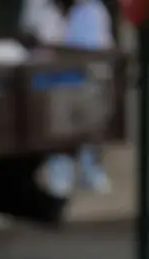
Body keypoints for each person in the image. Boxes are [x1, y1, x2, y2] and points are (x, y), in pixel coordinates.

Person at [57, 0, 115, 196]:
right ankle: (62, 172)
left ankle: (89, 171)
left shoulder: (93, 10)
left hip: (88, 80)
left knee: (90, 129)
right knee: (61, 129)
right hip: (59, 81)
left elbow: (97, 48)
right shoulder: (49, 10)